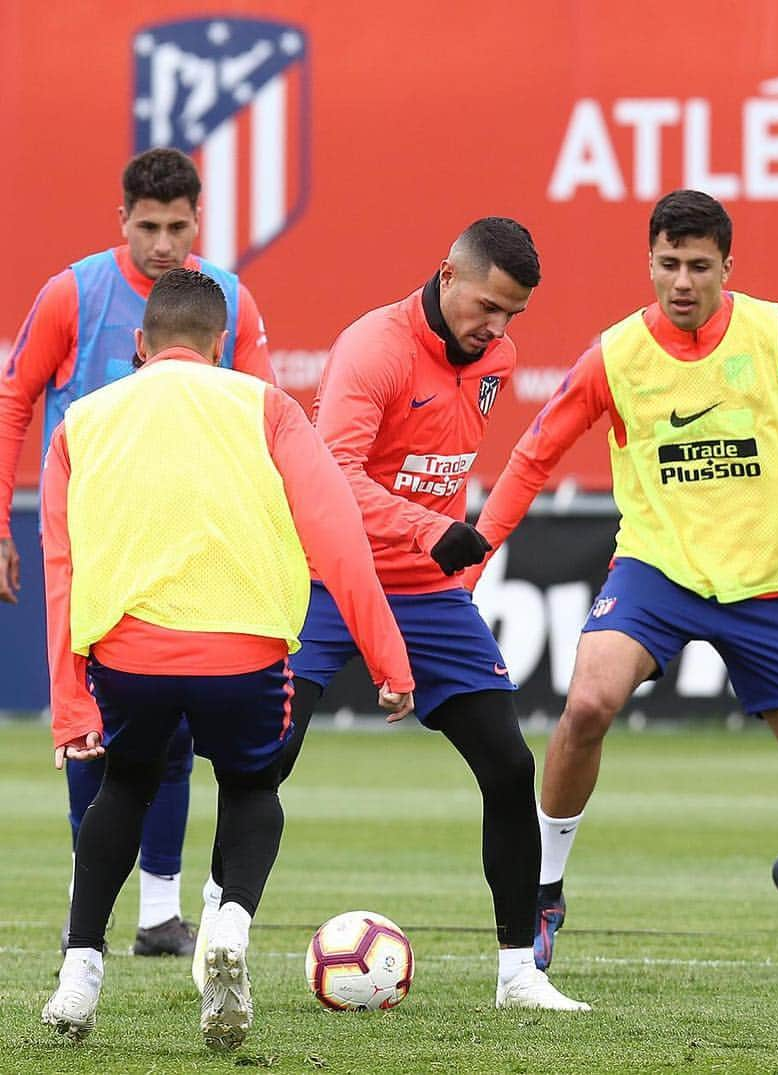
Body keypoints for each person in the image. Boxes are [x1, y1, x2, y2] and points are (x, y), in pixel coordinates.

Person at [463, 190, 778, 976]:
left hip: (767, 587)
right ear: (649, 262)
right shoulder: (614, 356)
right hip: (657, 570)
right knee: (586, 704)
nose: (682, 281)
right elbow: (532, 458)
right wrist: (469, 568)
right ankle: (543, 889)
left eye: (699, 266)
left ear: (726, 268)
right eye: (668, 264)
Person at [194, 218, 589, 1012]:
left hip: (428, 592)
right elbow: (334, 478)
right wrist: (428, 527)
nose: (498, 329)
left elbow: (443, 468)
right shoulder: (370, 350)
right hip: (324, 575)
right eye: (487, 306)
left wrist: (453, 553)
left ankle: (518, 973)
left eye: (512, 315)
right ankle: (217, 929)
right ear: (447, 274)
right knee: (268, 755)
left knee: (511, 769)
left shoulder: (496, 359)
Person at [40, 268, 413, 1050]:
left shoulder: (83, 420)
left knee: (126, 785)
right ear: (223, 346)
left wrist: (71, 699)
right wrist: (388, 656)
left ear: (140, 346)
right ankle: (230, 926)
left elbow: (61, 564)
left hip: (129, 651)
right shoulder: (266, 406)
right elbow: (338, 536)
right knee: (250, 785)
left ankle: (79, 971)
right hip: (244, 653)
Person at [0, 147, 276, 958]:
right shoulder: (72, 293)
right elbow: (16, 398)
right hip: (91, 534)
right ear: (121, 221)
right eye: (148, 226)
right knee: (91, 723)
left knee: (177, 727)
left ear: (199, 222)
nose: (163, 242)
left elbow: (261, 418)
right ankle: (91, 905)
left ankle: (159, 913)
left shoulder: (227, 299)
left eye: (178, 226)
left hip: (190, 536)